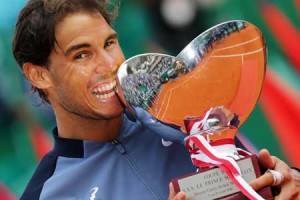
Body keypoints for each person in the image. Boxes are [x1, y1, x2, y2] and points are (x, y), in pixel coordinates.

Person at [12, 0, 300, 199]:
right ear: (39, 76)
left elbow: (262, 181)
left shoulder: (187, 119)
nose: (109, 65)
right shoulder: (47, 193)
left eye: (110, 44)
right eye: (82, 55)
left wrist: (291, 182)